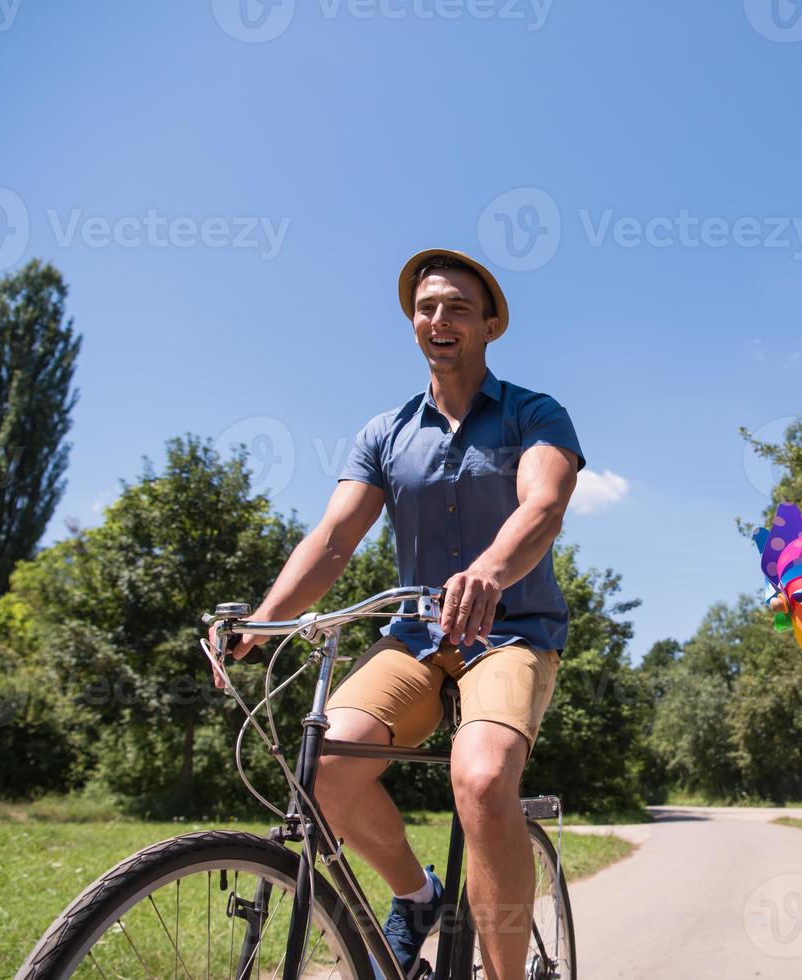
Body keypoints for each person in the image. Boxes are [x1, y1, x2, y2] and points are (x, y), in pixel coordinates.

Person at [211, 248, 583, 980]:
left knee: (479, 782)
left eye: (457, 308)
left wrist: (488, 570)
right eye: (426, 307)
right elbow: (332, 540)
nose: (438, 320)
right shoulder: (385, 433)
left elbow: (545, 503)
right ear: (413, 322)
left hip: (512, 633)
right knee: (322, 770)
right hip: (414, 636)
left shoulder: (533, 414)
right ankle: (417, 897)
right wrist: (260, 622)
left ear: (489, 326)